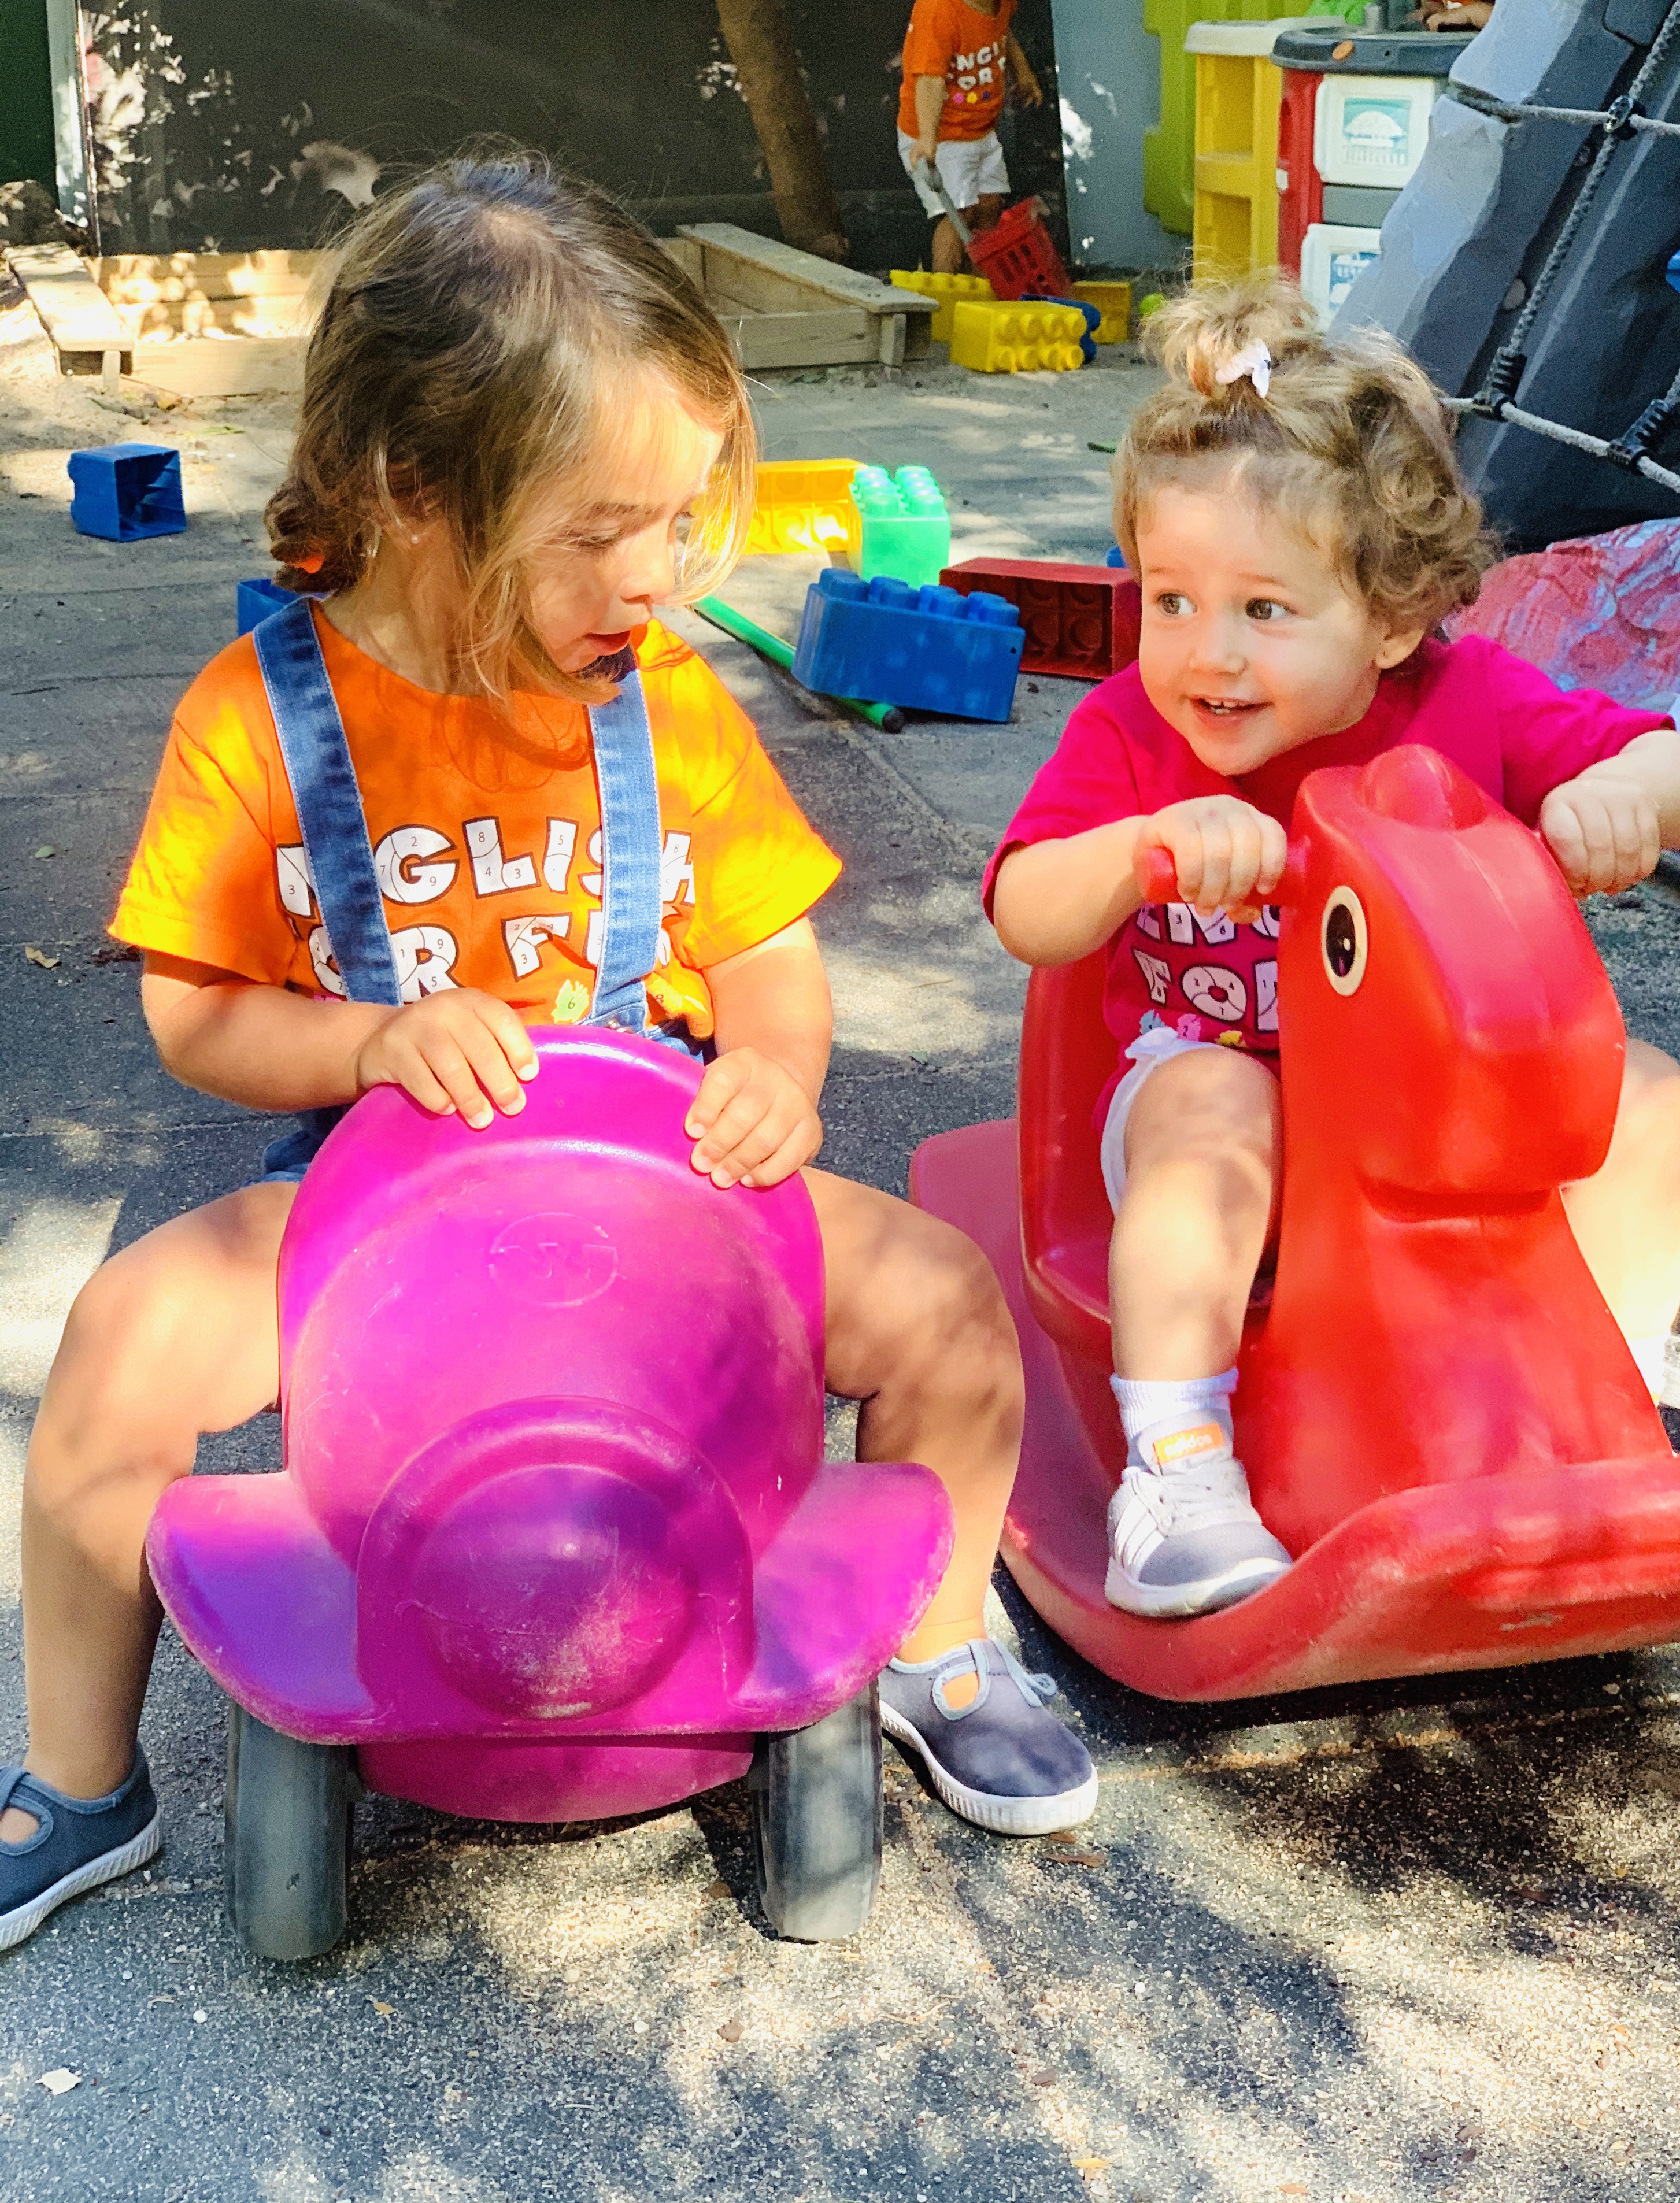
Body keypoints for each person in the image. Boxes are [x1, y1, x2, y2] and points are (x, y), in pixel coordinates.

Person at [0, 156, 1098, 1950]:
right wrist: (364, 1042)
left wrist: (779, 1071)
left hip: (680, 1200)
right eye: (598, 529)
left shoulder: (661, 694)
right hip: (374, 1221)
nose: (655, 576)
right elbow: (191, 1013)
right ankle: (79, 1779)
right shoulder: (262, 717)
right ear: (409, 491)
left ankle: (936, 1643)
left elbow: (765, 953)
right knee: (122, 1345)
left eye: (675, 522)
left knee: (949, 1307)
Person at [986, 279, 1680, 1622]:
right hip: (1202, 1103)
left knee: (1654, 1103)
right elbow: (1030, 907)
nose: (1206, 654)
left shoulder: (1469, 699)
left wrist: (1628, 798)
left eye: (1265, 611)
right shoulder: (1131, 741)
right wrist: (1146, 849)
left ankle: (1581, 1421)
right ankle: (1176, 1463)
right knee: (1221, 1099)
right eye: (1171, 600)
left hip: (1436, 1129)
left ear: (1393, 619)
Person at [897, 0, 1045, 276]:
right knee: (955, 214)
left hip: (980, 130)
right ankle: (945, 299)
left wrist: (1024, 70)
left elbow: (1003, 30)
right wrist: (927, 141)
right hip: (939, 135)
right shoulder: (937, 11)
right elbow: (928, 80)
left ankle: (987, 287)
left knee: (991, 207)